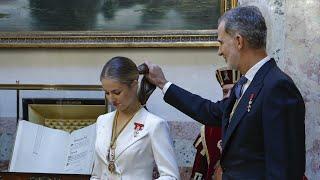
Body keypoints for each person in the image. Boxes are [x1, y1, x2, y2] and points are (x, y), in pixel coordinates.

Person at [145, 5, 306, 180]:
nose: (219, 50)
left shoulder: (277, 87)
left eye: (221, 42)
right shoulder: (245, 83)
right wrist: (163, 83)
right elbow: (211, 112)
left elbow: (284, 170)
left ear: (238, 41)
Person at [90, 56, 180, 180]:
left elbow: (171, 176)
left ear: (134, 85)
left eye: (116, 92)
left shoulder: (154, 125)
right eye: (106, 92)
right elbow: (97, 175)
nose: (111, 99)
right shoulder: (102, 121)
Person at [191, 68, 240, 180]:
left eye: (232, 92)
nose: (228, 97)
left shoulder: (252, 125)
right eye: (225, 92)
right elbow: (199, 172)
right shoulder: (208, 130)